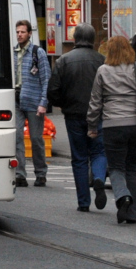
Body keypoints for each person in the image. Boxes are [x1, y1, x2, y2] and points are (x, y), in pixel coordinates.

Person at [88, 36, 136, 225]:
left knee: (115, 167)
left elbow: (95, 102)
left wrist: (91, 126)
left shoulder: (103, 71)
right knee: (133, 167)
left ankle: (122, 196)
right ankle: (131, 214)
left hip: (113, 126)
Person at [48, 24, 108, 213]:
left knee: (79, 157)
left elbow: (53, 91)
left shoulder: (64, 61)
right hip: (98, 114)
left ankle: (84, 202)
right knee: (98, 151)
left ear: (75, 39)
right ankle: (98, 177)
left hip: (73, 114)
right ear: (93, 40)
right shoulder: (102, 60)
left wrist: (63, 104)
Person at [12, 20, 51, 188]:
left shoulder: (38, 53)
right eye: (18, 32)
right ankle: (20, 174)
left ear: (29, 34)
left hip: (34, 101)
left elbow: (46, 79)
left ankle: (41, 173)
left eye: (22, 32)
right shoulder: (12, 52)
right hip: (16, 99)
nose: (19, 34)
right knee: (17, 137)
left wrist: (43, 102)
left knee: (36, 139)